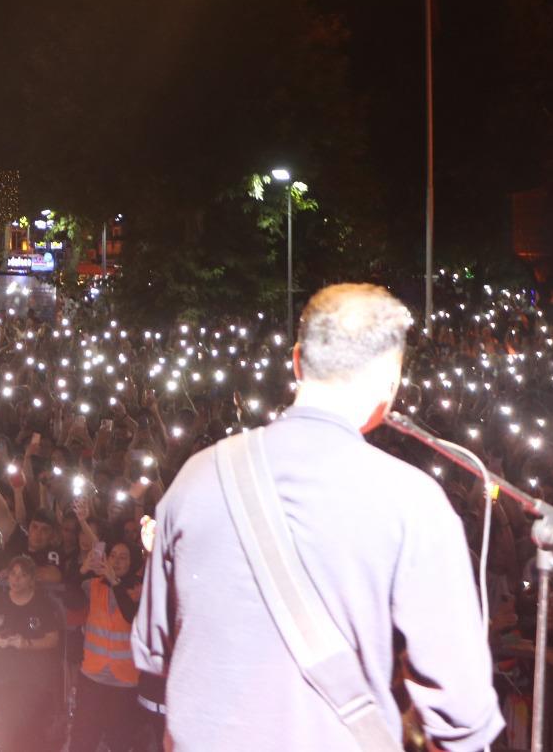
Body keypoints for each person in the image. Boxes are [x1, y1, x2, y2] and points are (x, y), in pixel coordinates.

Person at [133, 283, 503, 751]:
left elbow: (153, 644)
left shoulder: (195, 477)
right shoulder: (413, 502)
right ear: (391, 383)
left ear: (296, 362)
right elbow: (463, 714)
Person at [0, 554, 63, 752]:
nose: (16, 579)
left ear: (32, 579)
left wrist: (26, 644)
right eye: (13, 574)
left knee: (32, 733)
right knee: (6, 732)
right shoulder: (0, 602)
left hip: (33, 681)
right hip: (3, 679)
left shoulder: (42, 604)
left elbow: (53, 639)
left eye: (22, 575)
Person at [70, 537, 145, 752]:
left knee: (119, 742)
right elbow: (69, 596)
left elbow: (132, 616)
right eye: (113, 556)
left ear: (132, 563)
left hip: (124, 681)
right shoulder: (93, 585)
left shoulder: (140, 590)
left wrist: (116, 583)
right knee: (83, 740)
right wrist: (83, 569)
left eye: (123, 557)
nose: (117, 561)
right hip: (92, 676)